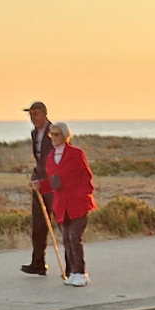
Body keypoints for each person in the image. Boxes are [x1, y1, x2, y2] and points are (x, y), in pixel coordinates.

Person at [45, 121, 95, 287]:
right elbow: (51, 182)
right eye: (51, 134)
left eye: (57, 134)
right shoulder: (51, 158)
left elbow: (86, 177)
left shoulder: (76, 153)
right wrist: (40, 185)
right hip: (61, 204)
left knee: (74, 236)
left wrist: (82, 194)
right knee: (66, 238)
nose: (53, 138)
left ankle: (81, 272)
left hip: (78, 203)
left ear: (65, 135)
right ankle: (73, 271)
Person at [19, 100, 55, 276]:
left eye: (36, 114)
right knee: (38, 223)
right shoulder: (35, 134)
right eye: (31, 115)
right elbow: (40, 160)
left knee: (63, 225)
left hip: (53, 183)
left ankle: (73, 266)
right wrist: (36, 176)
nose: (33, 118)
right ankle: (38, 262)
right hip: (39, 181)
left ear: (45, 114)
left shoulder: (54, 132)